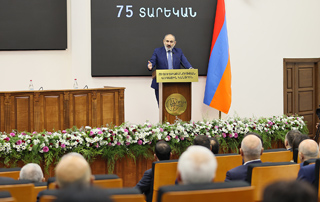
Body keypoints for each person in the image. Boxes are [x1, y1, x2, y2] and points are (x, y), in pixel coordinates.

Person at [147, 34, 192, 104]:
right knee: (162, 107)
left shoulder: (178, 52)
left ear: (174, 43)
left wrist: (191, 69)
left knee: (175, 107)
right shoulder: (157, 51)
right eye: (167, 41)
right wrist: (150, 65)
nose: (169, 43)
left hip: (175, 84)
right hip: (160, 84)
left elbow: (185, 62)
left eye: (171, 42)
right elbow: (152, 61)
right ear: (163, 42)